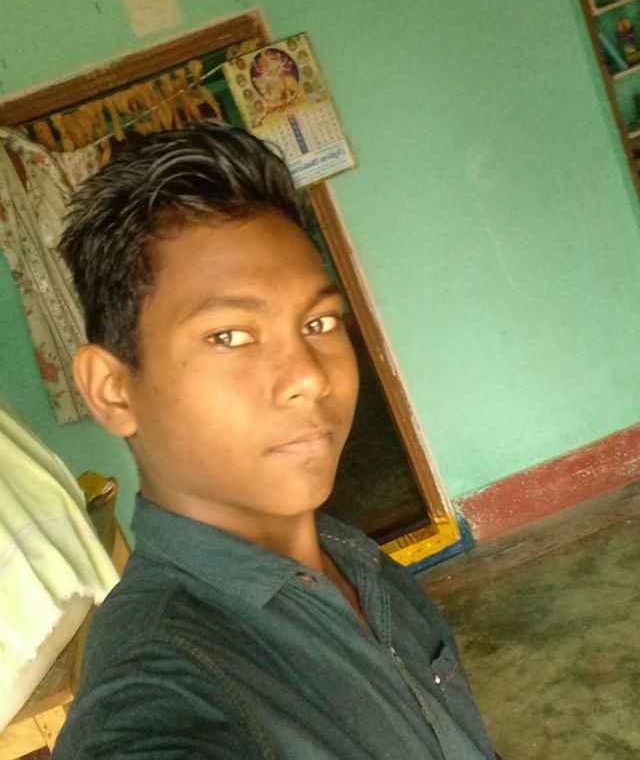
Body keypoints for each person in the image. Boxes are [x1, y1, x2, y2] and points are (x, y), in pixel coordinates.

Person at [52, 121, 498, 760]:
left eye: (319, 322)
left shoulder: (353, 557)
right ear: (113, 390)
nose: (310, 377)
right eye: (230, 336)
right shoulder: (159, 677)